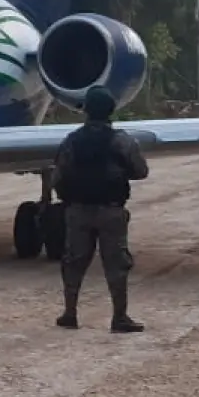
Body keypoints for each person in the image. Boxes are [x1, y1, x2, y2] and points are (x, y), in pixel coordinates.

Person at [50, 85, 149, 333]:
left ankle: (70, 314)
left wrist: (69, 197)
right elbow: (141, 171)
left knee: (73, 262)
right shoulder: (122, 141)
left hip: (78, 210)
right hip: (110, 210)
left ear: (87, 111)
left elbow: (58, 176)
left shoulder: (72, 141)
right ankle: (119, 317)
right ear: (110, 111)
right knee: (116, 264)